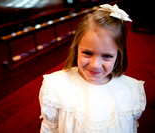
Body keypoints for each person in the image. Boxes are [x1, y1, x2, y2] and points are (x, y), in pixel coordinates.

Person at [39, 4, 146, 133]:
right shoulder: (56, 86)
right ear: (77, 48)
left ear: (118, 55)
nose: (95, 65)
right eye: (87, 53)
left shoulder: (131, 91)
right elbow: (50, 128)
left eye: (107, 56)